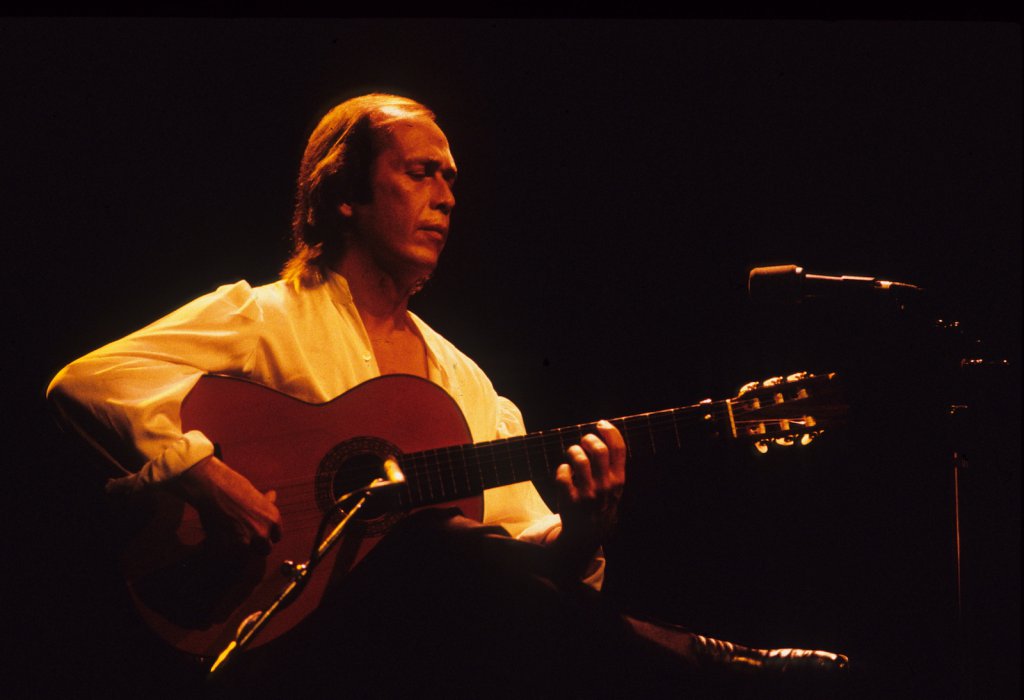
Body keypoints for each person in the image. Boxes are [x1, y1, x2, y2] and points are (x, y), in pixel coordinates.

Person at [48, 93, 848, 696]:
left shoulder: (462, 382)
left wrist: (581, 530)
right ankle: (704, 664)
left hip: (416, 662)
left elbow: (524, 566)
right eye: (421, 172)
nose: (448, 196)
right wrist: (202, 472)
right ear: (345, 194)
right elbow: (85, 381)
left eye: (453, 180)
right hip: (271, 629)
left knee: (450, 552)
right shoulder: (261, 318)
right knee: (430, 543)